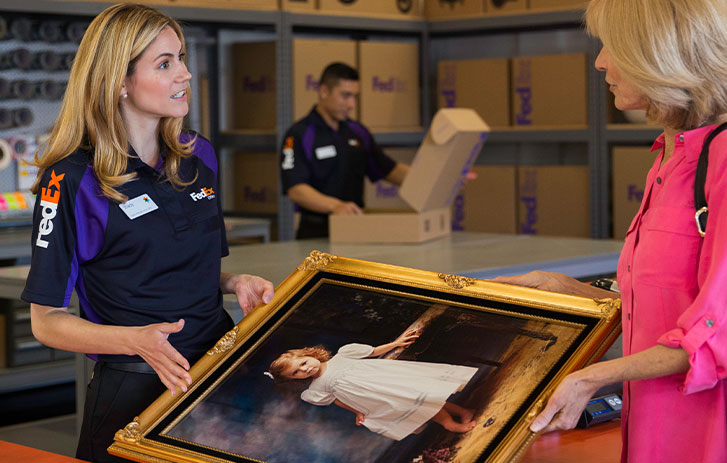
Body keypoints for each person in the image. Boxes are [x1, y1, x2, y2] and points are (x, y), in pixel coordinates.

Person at [21, 4, 274, 462]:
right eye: (165, 63)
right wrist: (133, 340)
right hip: (136, 387)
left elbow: (181, 268)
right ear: (119, 81)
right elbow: (46, 321)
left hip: (219, 371)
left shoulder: (200, 157)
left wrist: (236, 283)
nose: (186, 75)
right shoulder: (71, 179)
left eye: (181, 57)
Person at [493, 0, 727, 461]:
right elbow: (670, 307)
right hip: (654, 429)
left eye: (612, 47)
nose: (600, 61)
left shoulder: (721, 162)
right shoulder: (670, 156)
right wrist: (568, 290)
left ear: (660, 53)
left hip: (704, 433)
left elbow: (715, 331)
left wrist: (590, 377)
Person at [268, 330, 478, 440]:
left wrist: (396, 344)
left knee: (425, 394)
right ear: (294, 379)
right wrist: (358, 412)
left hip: (386, 380)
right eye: (296, 373)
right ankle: (449, 422)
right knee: (416, 404)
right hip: (376, 398)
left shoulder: (342, 355)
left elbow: (374, 351)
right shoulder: (314, 391)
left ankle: (463, 411)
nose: (304, 370)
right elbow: (338, 401)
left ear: (308, 354)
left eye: (303, 363)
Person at [280, 62, 410, 239]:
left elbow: (390, 170)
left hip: (355, 230)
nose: (351, 104)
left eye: (354, 97)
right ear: (324, 91)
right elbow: (296, 189)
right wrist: (336, 206)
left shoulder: (358, 132)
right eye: (345, 96)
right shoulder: (299, 134)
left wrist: (436, 179)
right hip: (316, 233)